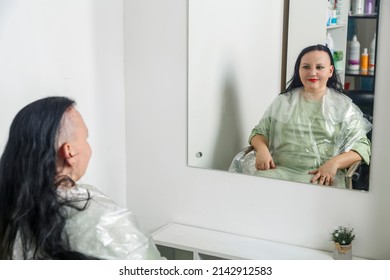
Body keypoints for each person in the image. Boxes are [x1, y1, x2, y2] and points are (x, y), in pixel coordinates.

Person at [0, 96, 163, 259]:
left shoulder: (10, 209)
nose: (88, 146)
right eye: (86, 138)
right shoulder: (104, 222)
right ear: (69, 152)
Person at [247, 44, 371, 187]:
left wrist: (334, 163)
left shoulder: (344, 107)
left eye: (319, 67)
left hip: (321, 175)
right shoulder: (284, 102)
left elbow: (362, 147)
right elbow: (259, 132)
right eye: (306, 67)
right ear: (298, 70)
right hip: (278, 171)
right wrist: (262, 150)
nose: (312, 73)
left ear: (330, 71)